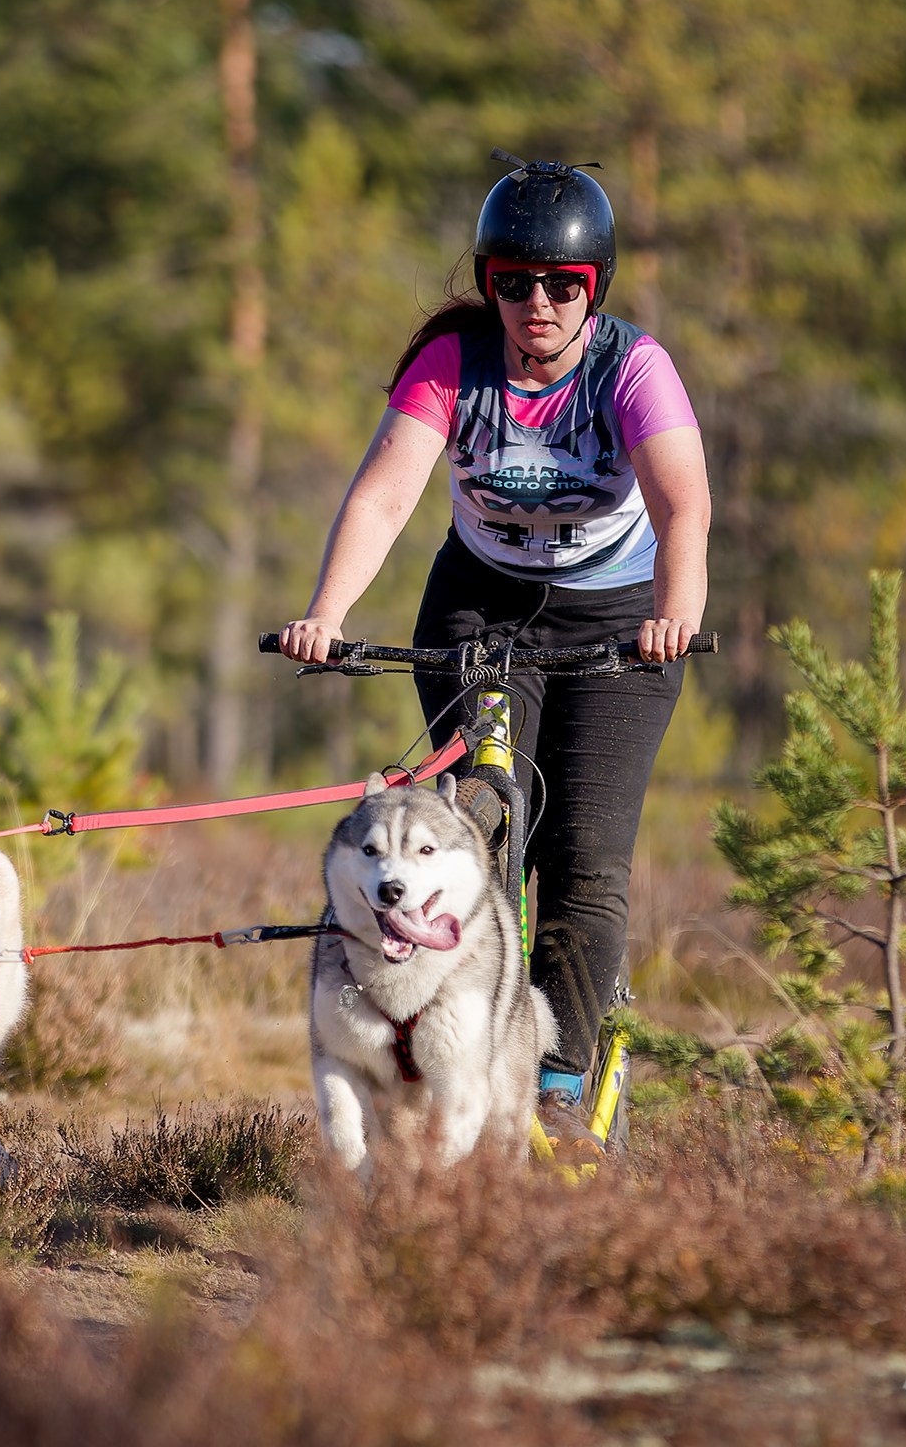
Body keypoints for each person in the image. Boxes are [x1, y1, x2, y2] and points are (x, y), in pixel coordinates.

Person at [275, 156, 710, 1151]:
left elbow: (685, 503)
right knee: (475, 833)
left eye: (562, 284)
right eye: (513, 282)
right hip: (481, 614)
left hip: (618, 620)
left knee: (584, 863)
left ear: (593, 288)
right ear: (489, 285)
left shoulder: (632, 368)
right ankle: (460, 1045)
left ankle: (561, 1076)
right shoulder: (451, 366)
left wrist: (676, 609)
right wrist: (326, 611)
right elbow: (385, 495)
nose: (537, 303)